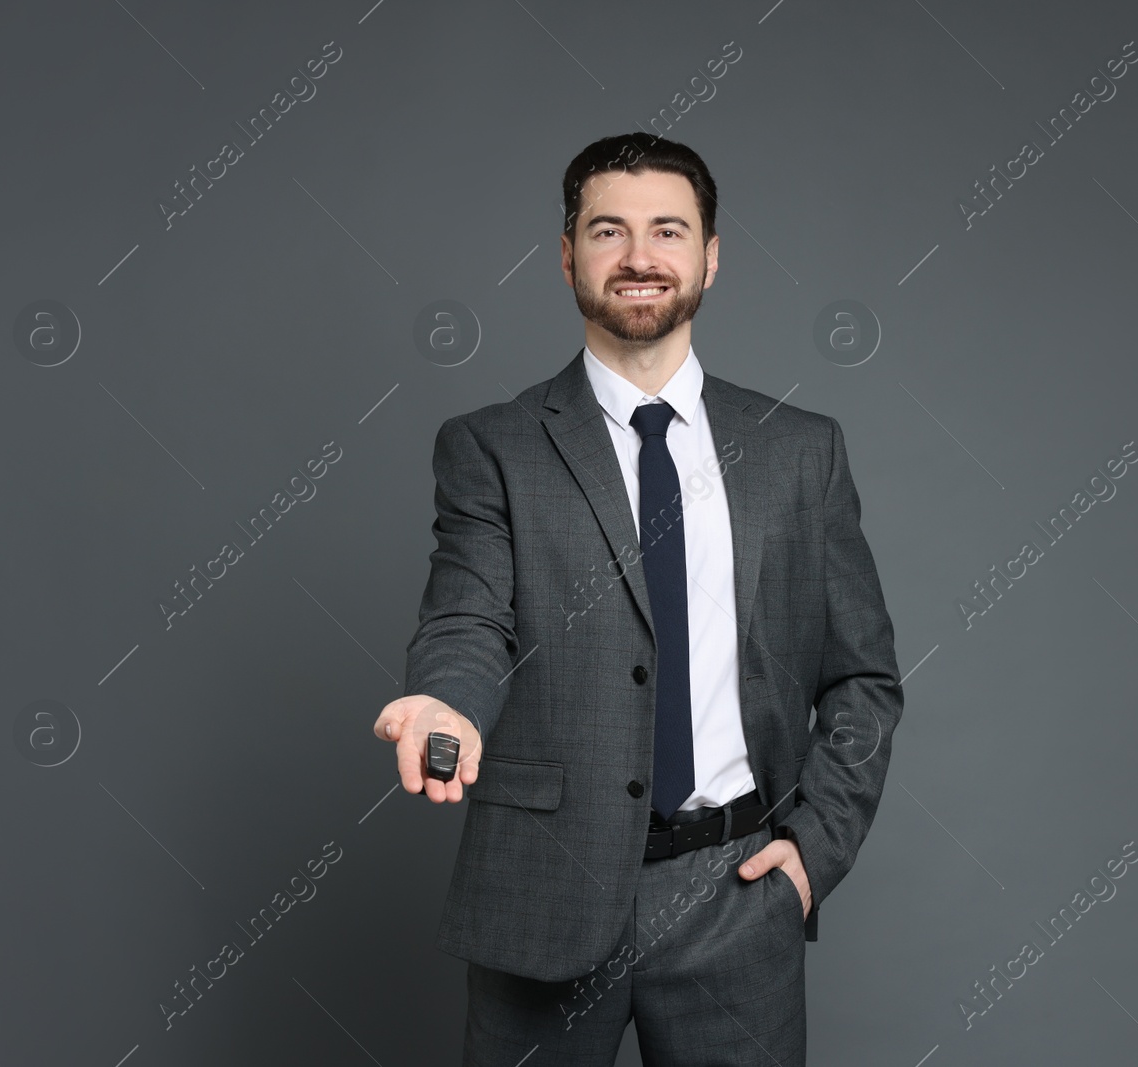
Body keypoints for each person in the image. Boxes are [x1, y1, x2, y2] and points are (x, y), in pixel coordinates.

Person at [374, 132, 904, 1065]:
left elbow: (863, 677)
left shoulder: (800, 450)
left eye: (668, 229)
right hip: (542, 890)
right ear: (568, 256)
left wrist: (814, 852)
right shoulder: (492, 447)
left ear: (710, 257)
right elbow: (470, 612)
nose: (639, 256)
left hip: (737, 893)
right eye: (608, 230)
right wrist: (443, 697)